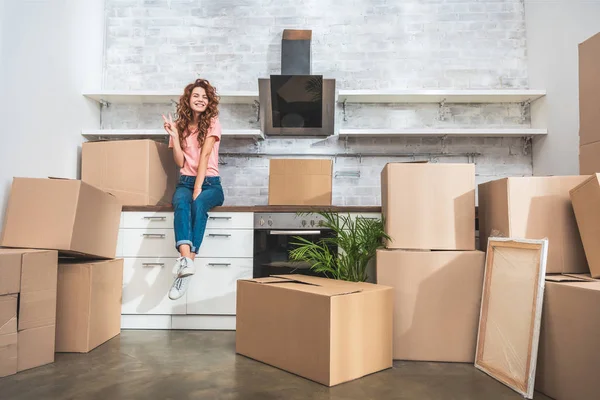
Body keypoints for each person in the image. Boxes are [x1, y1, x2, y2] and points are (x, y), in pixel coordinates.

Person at [162, 79, 224, 300]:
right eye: (196, 95)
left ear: (209, 102)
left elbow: (206, 155)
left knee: (197, 204)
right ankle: (186, 263)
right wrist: (175, 137)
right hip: (185, 181)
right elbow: (179, 162)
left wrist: (198, 187)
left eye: (205, 97)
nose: (200, 100)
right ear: (188, 99)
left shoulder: (213, 123)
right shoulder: (180, 125)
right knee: (180, 202)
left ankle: (185, 268)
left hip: (210, 183)